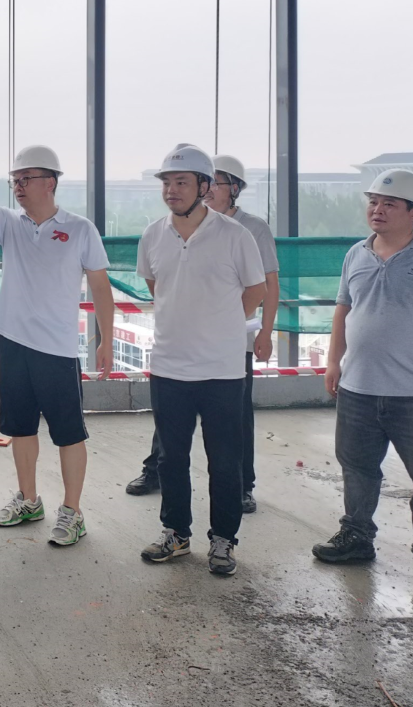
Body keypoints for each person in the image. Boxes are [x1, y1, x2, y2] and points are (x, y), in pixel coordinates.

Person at [0, 145, 114, 547]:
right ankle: (29, 500)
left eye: (26, 179)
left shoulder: (80, 229)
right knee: (20, 428)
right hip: (13, 342)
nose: (18, 186)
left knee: (69, 433)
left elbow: (101, 287)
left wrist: (106, 338)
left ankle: (72, 512)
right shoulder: (9, 223)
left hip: (57, 348)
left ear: (50, 182)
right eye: (15, 180)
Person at [312, 169, 413, 595]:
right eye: (373, 202)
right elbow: (344, 310)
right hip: (358, 389)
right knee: (357, 468)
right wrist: (333, 362)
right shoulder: (356, 254)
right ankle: (357, 536)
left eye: (389, 204)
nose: (377, 210)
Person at [136, 144, 265, 577]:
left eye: (181, 182)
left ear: (204, 186)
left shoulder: (235, 235)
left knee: (224, 461)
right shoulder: (153, 235)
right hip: (169, 366)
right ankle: (175, 533)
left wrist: (218, 326)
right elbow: (157, 286)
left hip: (221, 371)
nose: (171, 190)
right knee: (171, 459)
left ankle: (224, 540)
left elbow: (256, 291)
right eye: (166, 183)